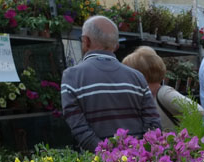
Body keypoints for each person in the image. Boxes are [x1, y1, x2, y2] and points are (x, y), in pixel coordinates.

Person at [61, 16, 160, 151]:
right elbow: (153, 124)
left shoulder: (71, 77)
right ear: (116, 45)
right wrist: (138, 155)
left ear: (86, 41)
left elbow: (80, 129)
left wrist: (107, 156)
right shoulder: (138, 77)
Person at [121, 46, 203, 130]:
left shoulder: (163, 93)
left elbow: (198, 111)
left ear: (141, 75)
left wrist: (182, 134)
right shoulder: (146, 96)